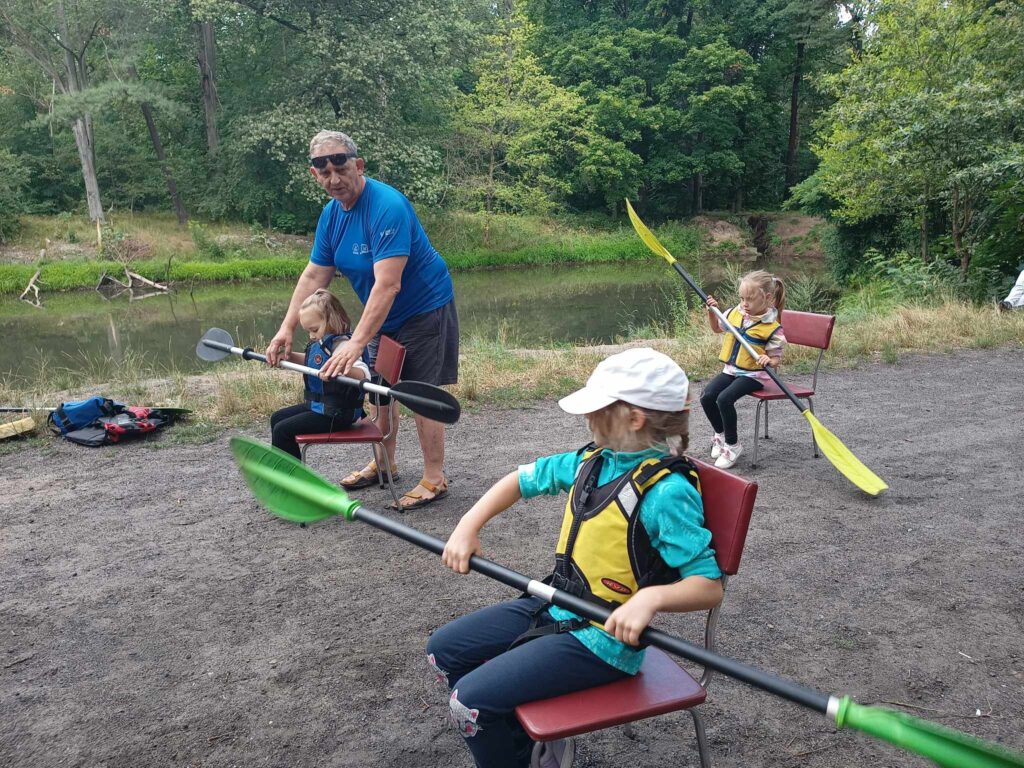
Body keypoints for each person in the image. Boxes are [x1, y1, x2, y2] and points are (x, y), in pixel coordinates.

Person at [426, 348, 723, 768]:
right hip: (556, 603)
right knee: (444, 652)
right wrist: (467, 526)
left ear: (633, 418)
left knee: (469, 703)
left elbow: (709, 585)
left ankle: (515, 747)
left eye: (596, 409)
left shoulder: (667, 494)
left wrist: (650, 599)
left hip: (604, 642)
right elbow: (520, 479)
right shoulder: (591, 461)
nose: (587, 419)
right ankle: (525, 746)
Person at [266, 130, 459, 509]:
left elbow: (389, 285)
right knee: (379, 390)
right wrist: (286, 327)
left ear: (358, 165)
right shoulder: (331, 215)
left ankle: (434, 479)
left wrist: (355, 343)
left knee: (417, 392)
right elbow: (313, 276)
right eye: (325, 174)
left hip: (424, 306)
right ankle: (384, 464)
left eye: (341, 169)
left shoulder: (387, 206)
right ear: (314, 175)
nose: (334, 180)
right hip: (382, 310)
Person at [701, 270, 787, 470]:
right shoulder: (734, 313)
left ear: (767, 298)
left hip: (755, 375)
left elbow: (775, 360)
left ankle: (733, 446)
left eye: (750, 299)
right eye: (742, 298)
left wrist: (769, 359)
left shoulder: (772, 327)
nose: (744, 303)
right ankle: (720, 436)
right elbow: (716, 329)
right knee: (707, 396)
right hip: (732, 370)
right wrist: (711, 312)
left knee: (724, 399)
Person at [269, 289, 369, 460]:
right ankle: (287, 474)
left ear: (332, 320)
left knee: (283, 430)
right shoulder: (324, 342)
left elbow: (364, 374)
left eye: (314, 329)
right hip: (321, 408)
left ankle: (291, 482)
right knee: (277, 418)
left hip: (337, 414)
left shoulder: (344, 346)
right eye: (308, 331)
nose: (311, 336)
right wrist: (288, 357)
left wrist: (340, 368)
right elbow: (312, 362)